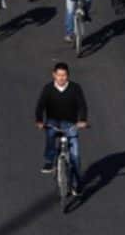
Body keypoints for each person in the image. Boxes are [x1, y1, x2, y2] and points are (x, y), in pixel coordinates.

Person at [35, 62, 88, 196]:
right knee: (50, 133)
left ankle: (78, 183)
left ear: (68, 76)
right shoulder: (48, 89)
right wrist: (39, 120)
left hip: (70, 123)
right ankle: (49, 160)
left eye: (64, 75)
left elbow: (82, 105)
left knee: (75, 157)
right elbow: (40, 106)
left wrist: (82, 120)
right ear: (54, 75)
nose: (61, 78)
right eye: (59, 75)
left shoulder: (75, 88)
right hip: (53, 121)